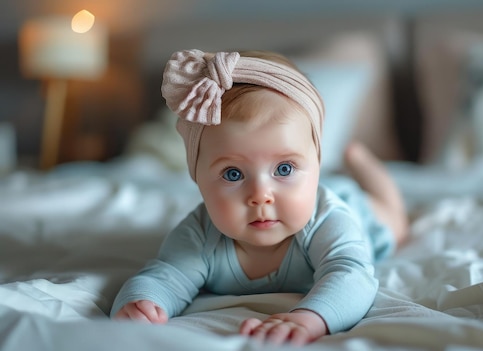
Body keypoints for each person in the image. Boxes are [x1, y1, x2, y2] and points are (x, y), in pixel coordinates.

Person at [110, 49, 408, 345]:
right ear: (197, 178)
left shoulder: (328, 219)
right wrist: (143, 302)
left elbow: (352, 275)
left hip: (358, 211)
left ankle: (364, 166)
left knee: (393, 223)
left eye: (284, 168)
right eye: (233, 174)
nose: (260, 196)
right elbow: (166, 275)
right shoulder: (200, 233)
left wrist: (310, 317)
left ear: (317, 166)